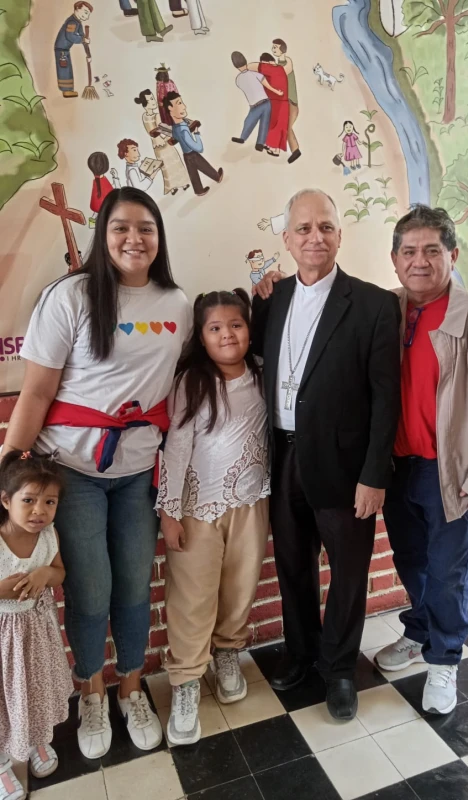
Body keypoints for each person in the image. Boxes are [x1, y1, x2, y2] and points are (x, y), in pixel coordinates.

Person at [2, 187, 193, 759]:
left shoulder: (178, 303)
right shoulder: (70, 297)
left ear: (160, 239)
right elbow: (36, 392)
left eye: (146, 229)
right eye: (121, 228)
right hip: (72, 473)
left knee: (134, 586)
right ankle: (92, 691)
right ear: (102, 236)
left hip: (138, 472)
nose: (134, 239)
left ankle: (132, 687)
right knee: (90, 590)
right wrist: (7, 474)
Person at [251, 189, 400, 721]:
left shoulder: (375, 304)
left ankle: (339, 668)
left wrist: (373, 474)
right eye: (304, 228)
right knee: (292, 564)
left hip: (346, 466)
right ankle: (302, 650)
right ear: (287, 238)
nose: (316, 237)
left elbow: (387, 398)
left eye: (326, 227)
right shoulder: (269, 299)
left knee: (349, 569)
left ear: (341, 234)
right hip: (282, 455)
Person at [375, 205, 468, 714]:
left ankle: (443, 662)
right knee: (411, 562)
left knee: (447, 573)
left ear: (452, 256)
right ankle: (418, 632)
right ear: (394, 260)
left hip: (452, 475)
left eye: (431, 251)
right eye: (409, 252)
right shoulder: (386, 311)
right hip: (398, 470)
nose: (420, 262)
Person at [157, 289, 270, 746]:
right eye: (215, 328)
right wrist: (169, 511)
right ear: (201, 337)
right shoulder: (192, 382)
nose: (228, 334)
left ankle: (228, 652)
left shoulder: (262, 373)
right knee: (192, 595)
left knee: (240, 586)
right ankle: (185, 681)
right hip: (197, 508)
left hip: (251, 505)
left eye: (236, 325)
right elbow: (177, 447)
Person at [0, 452, 73, 800]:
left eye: (49, 502)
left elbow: (59, 572)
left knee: (34, 689)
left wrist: (46, 574)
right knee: (4, 699)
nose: (38, 511)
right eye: (28, 500)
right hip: (3, 640)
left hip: (36, 635)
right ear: (5, 500)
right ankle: (1, 764)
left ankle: (36, 740)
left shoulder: (48, 536)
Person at [164, 91, 223, 198]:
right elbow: (199, 148)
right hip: (192, 154)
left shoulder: (175, 128)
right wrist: (196, 133)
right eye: (179, 103)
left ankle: (199, 190)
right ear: (170, 108)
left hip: (186, 155)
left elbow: (176, 137)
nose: (184, 107)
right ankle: (217, 177)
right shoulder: (183, 130)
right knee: (204, 166)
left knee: (193, 173)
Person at [134, 90, 190, 196]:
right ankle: (173, 187)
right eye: (150, 99)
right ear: (144, 102)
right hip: (160, 143)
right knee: (167, 165)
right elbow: (161, 129)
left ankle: (183, 183)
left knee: (174, 162)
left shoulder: (147, 116)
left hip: (159, 143)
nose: (154, 101)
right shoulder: (152, 116)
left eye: (153, 98)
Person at [231, 52, 282, 152]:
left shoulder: (238, 79)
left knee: (251, 121)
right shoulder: (256, 74)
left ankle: (247, 139)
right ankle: (258, 143)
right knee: (263, 123)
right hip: (265, 103)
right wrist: (277, 92)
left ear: (236, 66)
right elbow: (268, 86)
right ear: (246, 62)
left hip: (256, 104)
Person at [54, 1, 93, 99]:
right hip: (61, 49)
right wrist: (83, 39)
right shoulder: (72, 22)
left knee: (67, 69)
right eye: (85, 12)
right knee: (65, 69)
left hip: (65, 49)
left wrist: (88, 55)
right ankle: (66, 91)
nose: (86, 15)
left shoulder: (78, 22)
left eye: (88, 14)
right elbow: (70, 36)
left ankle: (68, 90)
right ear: (77, 9)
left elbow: (82, 38)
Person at [253, 53, 288, 158]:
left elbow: (253, 66)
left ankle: (275, 149)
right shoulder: (279, 69)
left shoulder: (272, 68)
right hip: (279, 100)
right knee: (275, 125)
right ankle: (272, 146)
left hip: (278, 101)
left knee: (276, 125)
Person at [272, 38, 301, 164]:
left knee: (286, 127)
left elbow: (284, 71)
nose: (273, 49)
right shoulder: (277, 65)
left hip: (291, 103)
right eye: (273, 47)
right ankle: (292, 150)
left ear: (282, 49)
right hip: (284, 103)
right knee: (284, 126)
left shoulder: (287, 62)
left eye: (275, 47)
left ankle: (295, 150)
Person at [87, 151, 121, 228]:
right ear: (105, 166)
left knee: (96, 215)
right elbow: (116, 190)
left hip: (98, 209)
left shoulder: (96, 180)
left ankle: (93, 226)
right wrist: (115, 177)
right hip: (106, 209)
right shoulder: (103, 181)